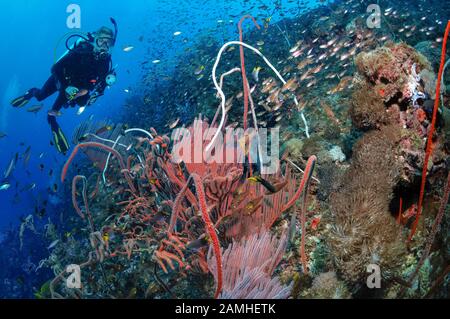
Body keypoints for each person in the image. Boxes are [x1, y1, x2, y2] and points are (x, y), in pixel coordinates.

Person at [11, 23, 118, 154]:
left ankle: (53, 120)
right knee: (40, 97)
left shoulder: (105, 62)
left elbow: (100, 84)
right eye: (102, 41)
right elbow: (55, 68)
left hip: (76, 89)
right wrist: (65, 87)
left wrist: (87, 91)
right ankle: (31, 92)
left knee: (81, 102)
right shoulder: (82, 50)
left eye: (109, 43)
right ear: (96, 40)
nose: (105, 46)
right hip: (60, 80)